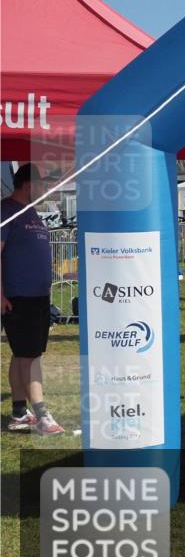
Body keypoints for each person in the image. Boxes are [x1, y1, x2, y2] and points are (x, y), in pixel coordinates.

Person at [1, 164, 64, 434]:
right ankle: (42, 415)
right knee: (30, 357)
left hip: (38, 296)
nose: (45, 189)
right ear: (28, 184)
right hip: (19, 296)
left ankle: (19, 413)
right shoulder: (6, 210)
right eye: (42, 185)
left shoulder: (31, 212)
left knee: (22, 355)